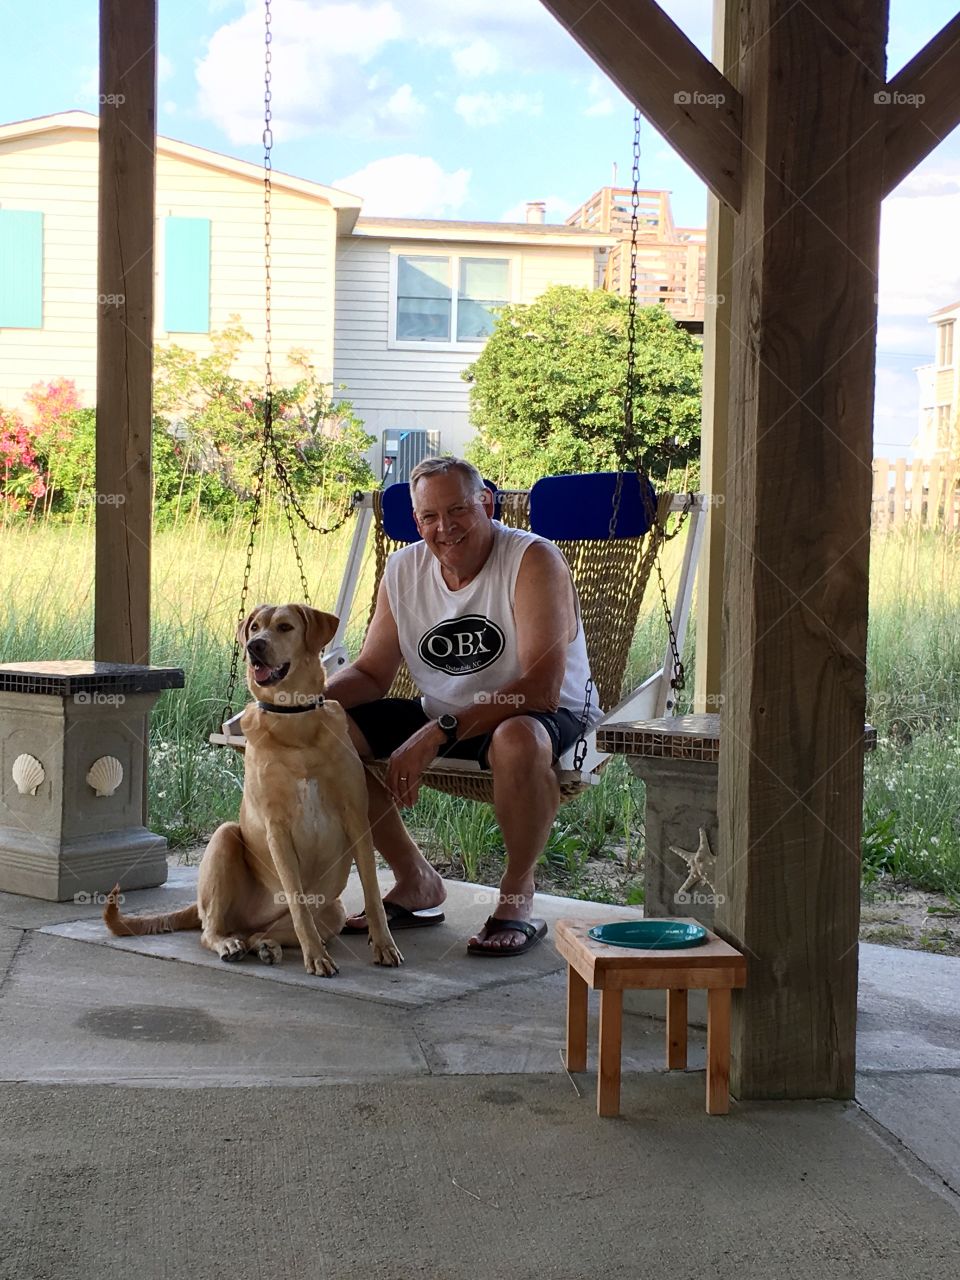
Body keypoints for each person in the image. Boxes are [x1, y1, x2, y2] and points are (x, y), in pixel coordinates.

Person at [326, 456, 601, 956]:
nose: (444, 527)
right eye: (429, 516)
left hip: (543, 712)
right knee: (327, 731)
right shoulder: (403, 568)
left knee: (516, 737)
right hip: (446, 710)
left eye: (458, 510)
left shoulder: (532, 559)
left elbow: (538, 686)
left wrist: (438, 732)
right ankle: (415, 881)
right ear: (416, 522)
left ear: (486, 504)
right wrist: (300, 703)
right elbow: (371, 674)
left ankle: (517, 895)